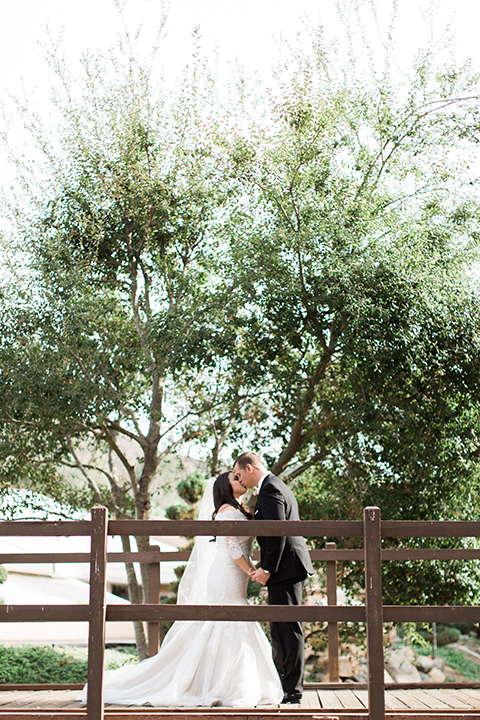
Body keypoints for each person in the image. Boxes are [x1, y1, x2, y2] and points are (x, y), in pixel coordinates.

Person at [80, 471, 283, 708]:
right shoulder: (227, 512)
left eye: (239, 477)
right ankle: (218, 684)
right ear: (224, 489)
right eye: (234, 479)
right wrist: (252, 571)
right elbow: (232, 547)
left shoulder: (238, 509)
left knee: (231, 620)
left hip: (236, 573)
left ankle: (221, 681)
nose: (240, 480)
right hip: (227, 573)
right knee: (227, 620)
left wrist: (251, 569)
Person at [233, 452, 314, 704]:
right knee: (282, 627)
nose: (239, 480)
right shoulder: (275, 486)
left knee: (287, 628)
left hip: (285, 568)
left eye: (239, 474)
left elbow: (277, 531)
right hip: (286, 566)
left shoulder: (270, 490)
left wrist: (267, 569)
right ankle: (286, 685)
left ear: (249, 468)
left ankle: (292, 689)